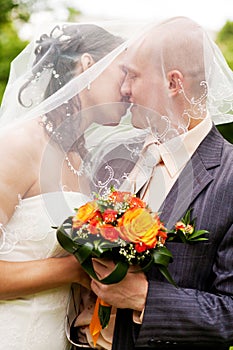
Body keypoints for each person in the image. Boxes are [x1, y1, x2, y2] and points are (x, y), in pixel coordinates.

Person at [90, 17, 233, 350]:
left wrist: (144, 297)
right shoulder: (119, 157)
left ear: (173, 83)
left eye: (133, 75)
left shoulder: (229, 175)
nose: (123, 88)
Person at [0, 22, 128, 350]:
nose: (129, 89)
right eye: (124, 72)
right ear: (88, 65)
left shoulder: (79, 158)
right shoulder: (19, 145)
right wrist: (75, 269)